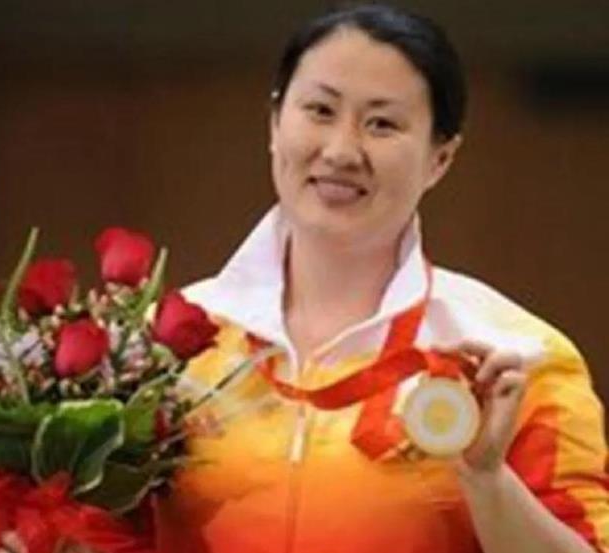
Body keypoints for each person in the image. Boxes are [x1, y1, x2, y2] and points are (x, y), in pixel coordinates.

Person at [153, 4, 609, 553]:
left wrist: (487, 481)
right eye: (320, 110)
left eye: (382, 124)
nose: (341, 151)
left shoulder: (516, 358)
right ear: (275, 123)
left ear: (441, 158)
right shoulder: (161, 347)